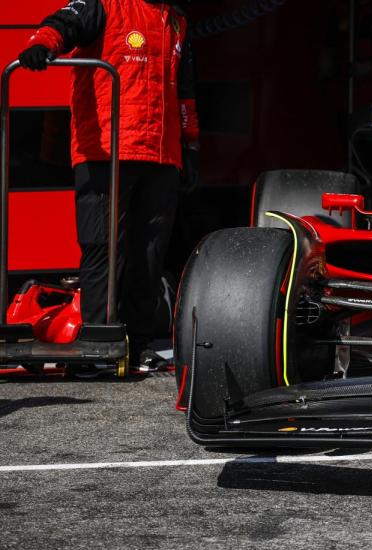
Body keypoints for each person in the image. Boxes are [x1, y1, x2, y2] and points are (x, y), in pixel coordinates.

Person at [19, 0, 199, 372]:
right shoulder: (105, 5)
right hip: (104, 149)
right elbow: (64, 23)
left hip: (161, 154)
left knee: (148, 255)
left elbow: (185, 90)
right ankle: (98, 341)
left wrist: (191, 143)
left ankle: (140, 342)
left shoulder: (177, 20)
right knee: (101, 247)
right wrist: (42, 44)